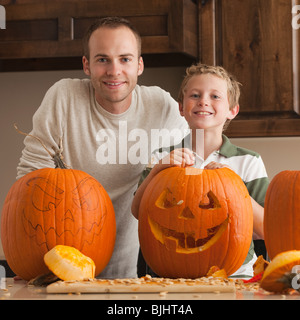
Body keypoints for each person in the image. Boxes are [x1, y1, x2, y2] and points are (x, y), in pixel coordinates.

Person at [16, 17, 188, 279]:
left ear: (140, 65)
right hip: (61, 269)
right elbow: (30, 179)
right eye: (102, 59)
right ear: (86, 65)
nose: (114, 70)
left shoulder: (161, 105)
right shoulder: (64, 98)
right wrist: (28, 256)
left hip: (132, 273)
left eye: (125, 59)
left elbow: (195, 163)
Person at [132, 63, 269, 278]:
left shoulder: (248, 161)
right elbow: (137, 211)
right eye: (195, 95)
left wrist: (233, 187)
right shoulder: (162, 157)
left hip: (237, 276)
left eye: (215, 96)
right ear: (181, 108)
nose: (203, 101)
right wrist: (158, 170)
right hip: (171, 277)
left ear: (232, 111)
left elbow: (265, 229)